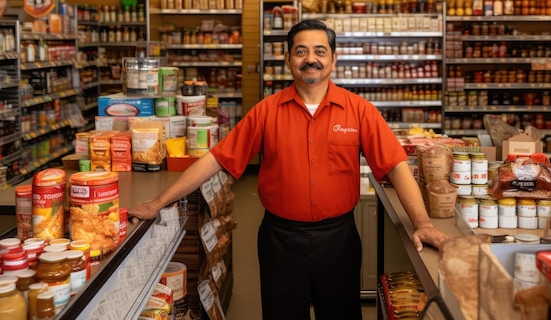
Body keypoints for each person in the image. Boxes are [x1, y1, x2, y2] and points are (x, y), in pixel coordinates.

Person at [129, 19, 449, 319]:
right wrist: (158, 202)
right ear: (287, 59)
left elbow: (395, 166)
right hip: (280, 241)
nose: (311, 58)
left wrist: (421, 222)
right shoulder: (266, 112)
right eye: (301, 51)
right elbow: (216, 159)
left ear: (333, 60)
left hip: (338, 239)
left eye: (320, 51)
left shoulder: (359, 110)